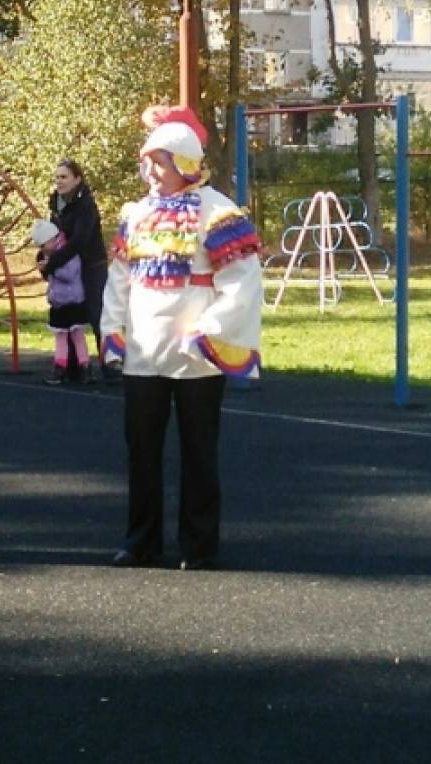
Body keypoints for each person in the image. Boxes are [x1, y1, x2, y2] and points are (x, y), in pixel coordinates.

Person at [102, 105, 263, 571]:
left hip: (196, 357)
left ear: (186, 163)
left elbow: (241, 281)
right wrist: (113, 330)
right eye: (149, 161)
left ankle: (199, 544)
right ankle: (140, 541)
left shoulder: (220, 213)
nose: (151, 171)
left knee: (198, 451)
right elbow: (120, 277)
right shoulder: (135, 215)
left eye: (161, 161)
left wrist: (209, 331)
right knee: (142, 453)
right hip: (144, 353)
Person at [43, 159, 113, 381]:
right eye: (57, 177)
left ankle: (110, 364)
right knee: (69, 312)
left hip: (91, 265)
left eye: (64, 177)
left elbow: (79, 240)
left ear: (77, 179)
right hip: (69, 267)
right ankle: (74, 366)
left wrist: (52, 263)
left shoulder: (86, 205)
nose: (59, 182)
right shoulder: (56, 203)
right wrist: (44, 257)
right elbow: (54, 237)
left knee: (96, 313)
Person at [31, 218, 95, 385]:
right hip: (58, 302)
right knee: (60, 336)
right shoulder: (48, 255)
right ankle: (60, 367)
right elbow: (49, 277)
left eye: (44, 244)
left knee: (77, 336)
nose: (43, 249)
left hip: (73, 301)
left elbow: (69, 275)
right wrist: (45, 270)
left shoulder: (67, 253)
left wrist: (51, 266)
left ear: (52, 239)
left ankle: (85, 367)